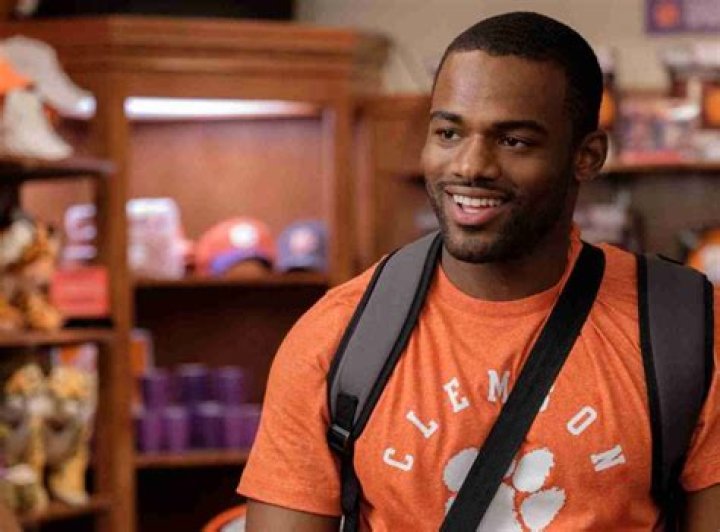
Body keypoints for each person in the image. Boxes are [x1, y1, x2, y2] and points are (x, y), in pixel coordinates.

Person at [238, 11, 720, 531]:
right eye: (448, 132)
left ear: (587, 156)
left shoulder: (686, 331)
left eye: (514, 141)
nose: (470, 166)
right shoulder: (336, 339)